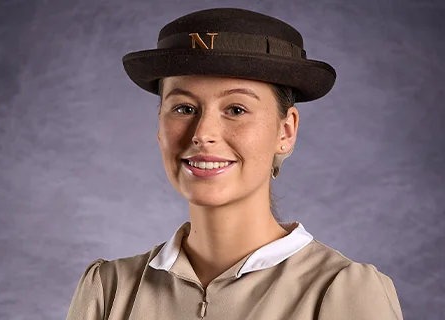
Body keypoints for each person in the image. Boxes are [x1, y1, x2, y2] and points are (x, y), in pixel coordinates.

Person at [66, 8, 403, 320]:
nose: (203, 134)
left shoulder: (341, 292)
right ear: (159, 127)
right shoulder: (110, 291)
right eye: (184, 108)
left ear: (285, 131)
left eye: (236, 110)